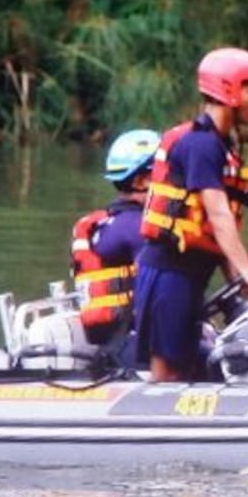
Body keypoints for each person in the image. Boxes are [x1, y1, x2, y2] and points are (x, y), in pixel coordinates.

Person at [133, 47, 248, 381]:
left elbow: (218, 229)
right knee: (166, 369)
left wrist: (240, 282)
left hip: (191, 275)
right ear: (229, 90)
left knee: (188, 363)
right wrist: (247, 273)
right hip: (169, 273)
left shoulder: (222, 148)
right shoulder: (202, 145)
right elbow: (219, 216)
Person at [69, 129, 159, 351]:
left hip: (113, 342)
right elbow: (157, 297)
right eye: (165, 173)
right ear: (140, 181)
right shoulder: (138, 228)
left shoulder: (114, 221)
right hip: (127, 346)